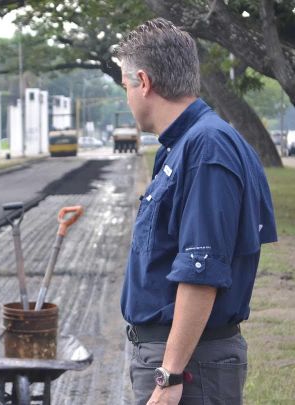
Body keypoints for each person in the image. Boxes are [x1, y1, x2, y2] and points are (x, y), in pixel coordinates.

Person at [116, 18, 277, 405]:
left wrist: (170, 374)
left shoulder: (207, 150)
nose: (128, 98)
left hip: (190, 367)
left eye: (125, 87)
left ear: (144, 82)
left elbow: (201, 270)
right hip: (179, 356)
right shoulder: (182, 146)